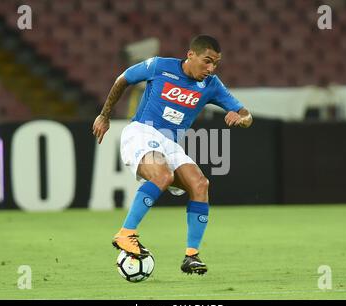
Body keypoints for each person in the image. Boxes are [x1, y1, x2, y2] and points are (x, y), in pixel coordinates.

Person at [92, 35, 252, 275]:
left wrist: (241, 119)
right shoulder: (159, 66)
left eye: (216, 63)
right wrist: (104, 115)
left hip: (170, 143)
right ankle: (126, 233)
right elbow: (122, 79)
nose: (211, 68)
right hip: (141, 132)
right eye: (207, 61)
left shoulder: (211, 85)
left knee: (200, 184)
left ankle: (191, 256)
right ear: (191, 55)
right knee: (163, 175)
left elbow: (246, 114)